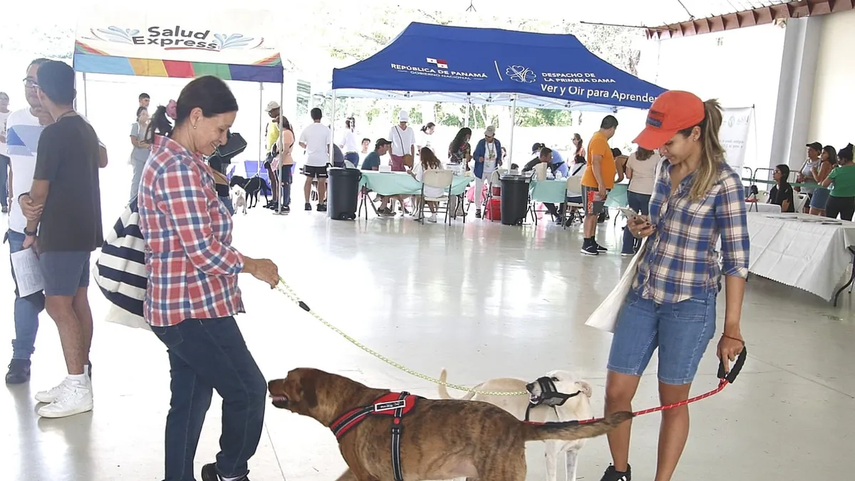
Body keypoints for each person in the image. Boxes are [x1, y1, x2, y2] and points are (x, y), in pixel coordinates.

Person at [138, 76, 279, 481]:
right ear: (195, 117)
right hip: (191, 308)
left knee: (190, 400)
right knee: (248, 391)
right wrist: (253, 264)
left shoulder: (185, 162)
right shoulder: (176, 167)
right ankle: (229, 473)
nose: (223, 138)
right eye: (220, 128)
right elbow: (200, 249)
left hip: (183, 305)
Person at [602, 91, 748, 481]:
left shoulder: (725, 183)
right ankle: (618, 472)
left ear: (695, 134)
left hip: (689, 303)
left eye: (669, 141)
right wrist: (641, 228)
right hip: (645, 292)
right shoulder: (666, 172)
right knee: (617, 391)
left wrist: (732, 329)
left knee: (671, 401)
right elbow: (662, 227)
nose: (662, 150)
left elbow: (737, 261)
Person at [18, 60, 104, 418]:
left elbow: (39, 192)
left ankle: (77, 385)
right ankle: (79, 378)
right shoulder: (83, 127)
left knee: (57, 305)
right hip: (82, 230)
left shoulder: (53, 133)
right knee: (77, 302)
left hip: (60, 231)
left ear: (42, 91)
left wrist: (28, 220)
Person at [4, 59, 52, 385]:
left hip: (62, 231)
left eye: (37, 82)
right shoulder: (16, 121)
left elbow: (99, 158)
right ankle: (21, 357)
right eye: (27, 80)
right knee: (27, 294)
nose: (31, 88)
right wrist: (17, 201)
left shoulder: (71, 122)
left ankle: (79, 369)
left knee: (68, 301)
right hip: (22, 227)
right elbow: (18, 171)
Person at [580, 115, 619, 255]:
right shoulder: (598, 140)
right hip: (593, 183)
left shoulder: (600, 139)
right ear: (612, 128)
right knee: (591, 214)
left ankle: (591, 240)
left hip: (597, 183)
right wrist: (601, 184)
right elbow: (596, 162)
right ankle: (586, 243)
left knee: (595, 214)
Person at [621, 147, 661, 256]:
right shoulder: (657, 157)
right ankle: (639, 249)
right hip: (648, 191)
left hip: (633, 190)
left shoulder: (632, 156)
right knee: (645, 220)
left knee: (631, 219)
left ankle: (626, 249)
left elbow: (628, 175)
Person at [299, 107, 331, 212]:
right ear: (321, 116)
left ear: (311, 116)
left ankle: (307, 203)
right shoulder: (326, 129)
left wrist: (307, 147)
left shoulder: (307, 128)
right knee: (322, 182)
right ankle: (320, 203)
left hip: (309, 159)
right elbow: (329, 145)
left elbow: (300, 142)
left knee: (308, 180)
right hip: (322, 159)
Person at [523, 147, 563, 221]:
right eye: (549, 157)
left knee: (562, 192)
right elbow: (524, 172)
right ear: (543, 157)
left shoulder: (549, 164)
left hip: (549, 186)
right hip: (537, 188)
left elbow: (553, 175)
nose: (551, 159)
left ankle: (561, 213)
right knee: (545, 195)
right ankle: (555, 214)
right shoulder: (532, 164)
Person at [472, 125, 503, 218]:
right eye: (486, 135)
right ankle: (478, 208)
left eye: (489, 136)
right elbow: (475, 155)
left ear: (493, 135)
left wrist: (499, 160)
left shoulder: (497, 143)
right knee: (478, 189)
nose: (487, 138)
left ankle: (490, 207)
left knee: (493, 190)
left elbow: (499, 154)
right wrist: (478, 158)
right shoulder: (481, 143)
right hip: (481, 170)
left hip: (492, 170)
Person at [822, 143, 855, 221]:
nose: (838, 161)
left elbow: (824, 184)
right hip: (850, 200)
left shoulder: (837, 171)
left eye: (839, 159)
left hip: (834, 198)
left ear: (844, 159)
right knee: (846, 222)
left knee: (829, 221)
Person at [412, 147, 444, 223]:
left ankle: (423, 213)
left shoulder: (423, 164)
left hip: (428, 191)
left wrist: (411, 174)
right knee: (427, 195)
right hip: (440, 191)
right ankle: (421, 213)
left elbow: (418, 178)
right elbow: (443, 174)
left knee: (425, 196)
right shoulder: (438, 163)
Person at [273, 116, 296, 213]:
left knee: (285, 184)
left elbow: (285, 150)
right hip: (283, 161)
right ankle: (282, 202)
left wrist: (280, 162)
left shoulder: (286, 133)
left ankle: (285, 204)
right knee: (282, 183)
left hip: (285, 162)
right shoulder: (284, 133)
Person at [129, 106, 151, 201]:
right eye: (143, 114)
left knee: (146, 180)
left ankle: (143, 200)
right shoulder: (136, 126)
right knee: (137, 179)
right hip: (138, 157)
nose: (145, 116)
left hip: (148, 157)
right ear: (138, 115)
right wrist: (142, 144)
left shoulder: (149, 128)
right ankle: (132, 201)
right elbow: (133, 140)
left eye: (146, 114)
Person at [808, 146, 836, 216]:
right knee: (823, 214)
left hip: (821, 190)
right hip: (828, 190)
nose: (821, 155)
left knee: (812, 214)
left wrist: (813, 171)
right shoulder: (832, 165)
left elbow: (818, 179)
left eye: (824, 153)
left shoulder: (825, 164)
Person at [264, 101, 281, 209]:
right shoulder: (270, 122)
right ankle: (274, 198)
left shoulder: (281, 122)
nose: (269, 114)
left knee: (276, 178)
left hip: (276, 153)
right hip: (269, 152)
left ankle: (277, 199)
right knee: (271, 178)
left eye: (271, 112)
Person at [797, 141, 823, 208]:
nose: (808, 152)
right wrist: (799, 176)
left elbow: (820, 177)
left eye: (811, 150)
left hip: (812, 190)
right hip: (803, 189)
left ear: (818, 152)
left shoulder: (820, 163)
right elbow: (799, 171)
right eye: (808, 150)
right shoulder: (807, 161)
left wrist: (807, 177)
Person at [0, 91, 10, 214]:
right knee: (2, 178)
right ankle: (4, 203)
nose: (3, 100)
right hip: (1, 152)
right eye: (1, 98)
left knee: (14, 177)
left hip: (12, 150)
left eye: (5, 98)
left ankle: (13, 201)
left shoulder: (13, 115)